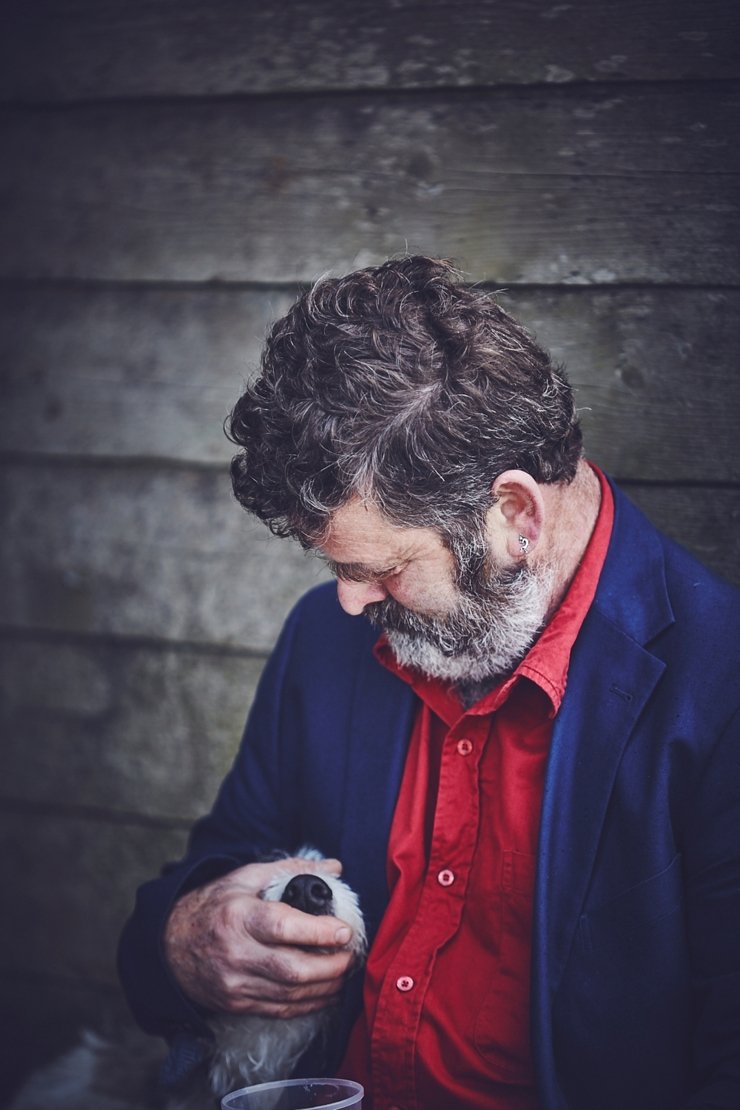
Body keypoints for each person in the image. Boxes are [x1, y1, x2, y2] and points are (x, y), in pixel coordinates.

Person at [118, 256, 740, 1109]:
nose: (347, 599)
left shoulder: (721, 685)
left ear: (515, 518)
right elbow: (217, 861)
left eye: (381, 568)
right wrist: (187, 941)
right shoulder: (324, 640)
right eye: (337, 566)